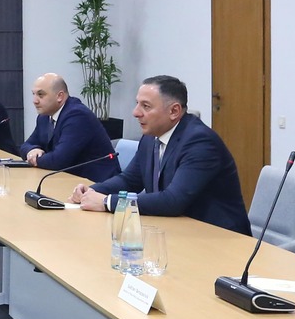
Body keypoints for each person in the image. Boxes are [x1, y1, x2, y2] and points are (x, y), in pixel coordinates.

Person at [76, 75, 250, 234]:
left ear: (174, 111)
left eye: (146, 106)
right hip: (177, 230)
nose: (135, 112)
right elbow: (129, 180)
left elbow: (173, 201)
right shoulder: (151, 137)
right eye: (137, 104)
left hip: (218, 237)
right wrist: (92, 191)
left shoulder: (200, 142)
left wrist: (107, 202)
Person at [19, 72, 117, 178]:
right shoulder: (44, 117)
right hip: (68, 177)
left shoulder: (78, 115)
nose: (35, 101)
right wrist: (32, 150)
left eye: (41, 95)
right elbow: (25, 146)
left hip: (96, 181)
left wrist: (35, 159)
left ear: (59, 96)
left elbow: (59, 160)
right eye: (33, 94)